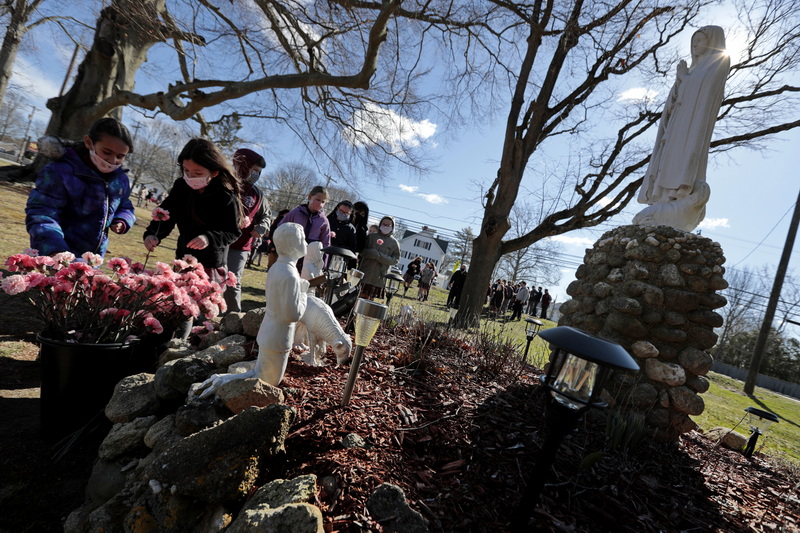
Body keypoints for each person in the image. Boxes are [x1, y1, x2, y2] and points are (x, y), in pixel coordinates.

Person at [634, 26, 730, 232]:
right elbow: (676, 96)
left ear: (712, 42)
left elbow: (705, 89)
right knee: (667, 157)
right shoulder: (691, 70)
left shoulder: (718, 63)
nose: (695, 46)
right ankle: (662, 197)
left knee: (683, 156)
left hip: (692, 124)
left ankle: (677, 196)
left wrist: (684, 79)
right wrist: (680, 81)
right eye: (693, 42)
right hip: (677, 121)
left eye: (701, 41)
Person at [26, 118, 136, 258]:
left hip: (92, 259)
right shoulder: (60, 172)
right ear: (89, 142)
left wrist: (123, 219)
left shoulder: (120, 179)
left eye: (120, 157)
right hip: (57, 254)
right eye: (107, 153)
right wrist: (55, 250)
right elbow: (41, 213)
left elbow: (125, 205)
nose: (113, 161)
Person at [143, 138, 243, 281]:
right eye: (186, 170)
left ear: (214, 172)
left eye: (197, 173)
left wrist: (209, 238)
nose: (190, 177)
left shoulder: (225, 196)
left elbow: (232, 231)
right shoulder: (181, 186)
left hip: (210, 264)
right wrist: (153, 233)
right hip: (183, 258)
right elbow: (167, 212)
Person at [224, 148, 270, 313]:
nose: (256, 175)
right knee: (211, 279)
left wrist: (262, 227)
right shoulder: (224, 184)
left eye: (259, 172)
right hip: (217, 242)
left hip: (240, 247)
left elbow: (266, 216)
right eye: (254, 170)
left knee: (233, 283)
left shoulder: (258, 194)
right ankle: (201, 317)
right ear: (243, 165)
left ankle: (233, 317)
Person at [278, 186, 331, 272]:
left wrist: (324, 262)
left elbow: (326, 242)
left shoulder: (323, 220)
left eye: (323, 202)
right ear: (310, 196)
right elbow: (281, 228)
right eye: (317, 200)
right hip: (292, 251)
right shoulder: (296, 212)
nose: (320, 204)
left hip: (311, 256)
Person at [358, 215, 400, 299]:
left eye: (388, 225)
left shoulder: (394, 243)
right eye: (384, 224)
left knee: (370, 301)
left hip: (379, 277)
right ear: (380, 224)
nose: (385, 226)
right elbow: (361, 251)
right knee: (359, 296)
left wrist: (380, 256)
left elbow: (395, 260)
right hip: (365, 273)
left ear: (392, 227)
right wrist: (371, 253)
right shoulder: (371, 237)